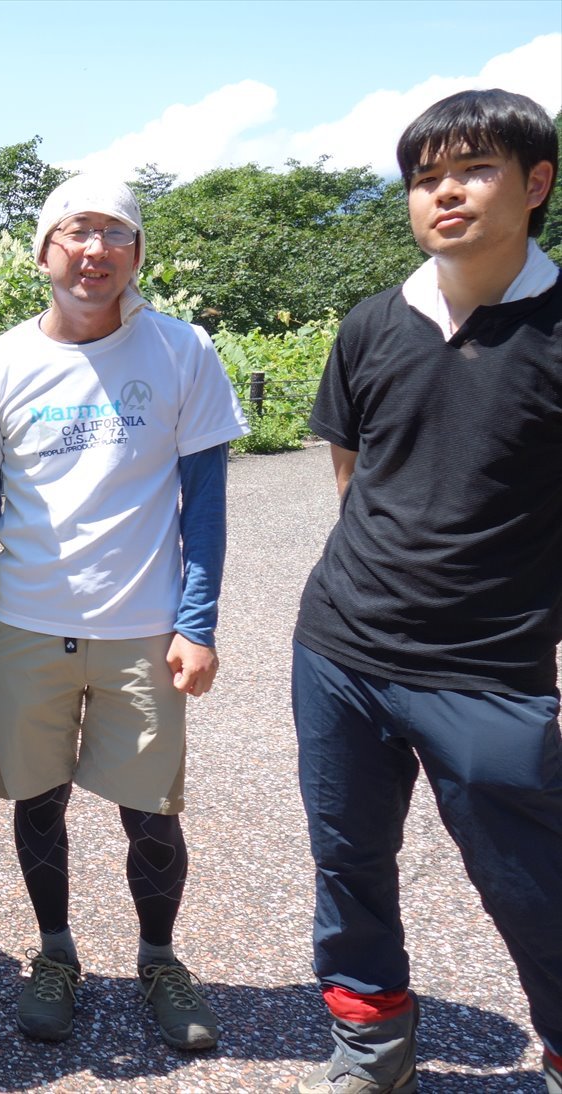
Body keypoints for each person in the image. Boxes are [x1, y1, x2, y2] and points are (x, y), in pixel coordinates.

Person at [290, 88, 561, 1094]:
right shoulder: (372, 324)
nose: (444, 192)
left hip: (489, 667)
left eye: (472, 169)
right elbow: (352, 474)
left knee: (532, 882)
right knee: (347, 861)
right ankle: (369, 1043)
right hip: (340, 650)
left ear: (534, 184)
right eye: (423, 178)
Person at [0, 174, 249, 1055]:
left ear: (136, 255)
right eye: (77, 232)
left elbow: (206, 505)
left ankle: (158, 959)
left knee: (150, 811)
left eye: (116, 234)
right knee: (37, 803)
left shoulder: (182, 351)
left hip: (143, 629)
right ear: (44, 252)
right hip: (29, 629)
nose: (95, 251)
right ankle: (56, 956)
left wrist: (198, 624)